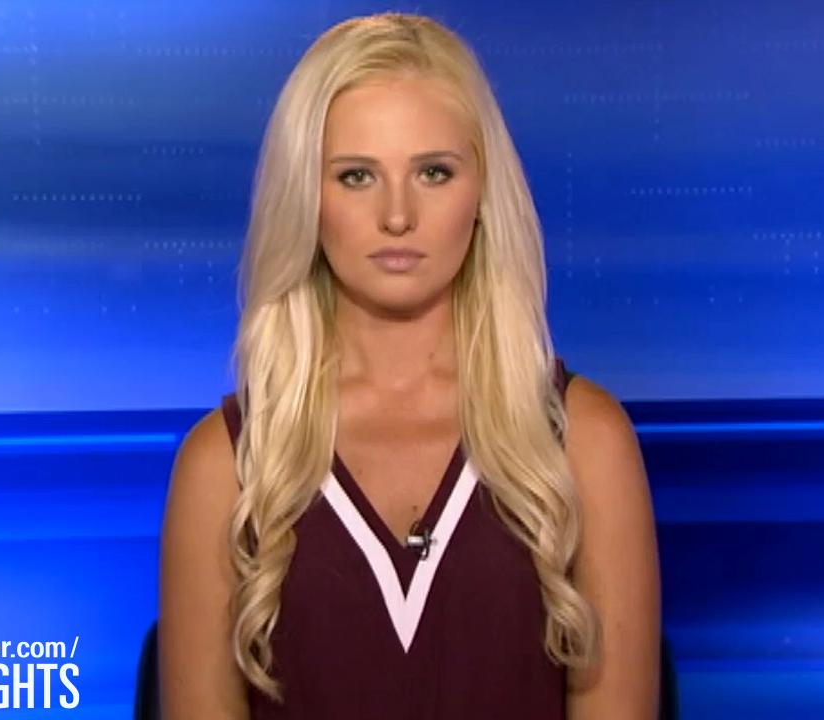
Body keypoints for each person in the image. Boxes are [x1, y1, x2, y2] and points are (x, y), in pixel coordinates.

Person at [160, 11, 660, 719]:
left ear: (482, 194)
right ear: (306, 199)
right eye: (356, 176)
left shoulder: (584, 443)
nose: (398, 216)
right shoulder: (226, 467)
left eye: (433, 172)